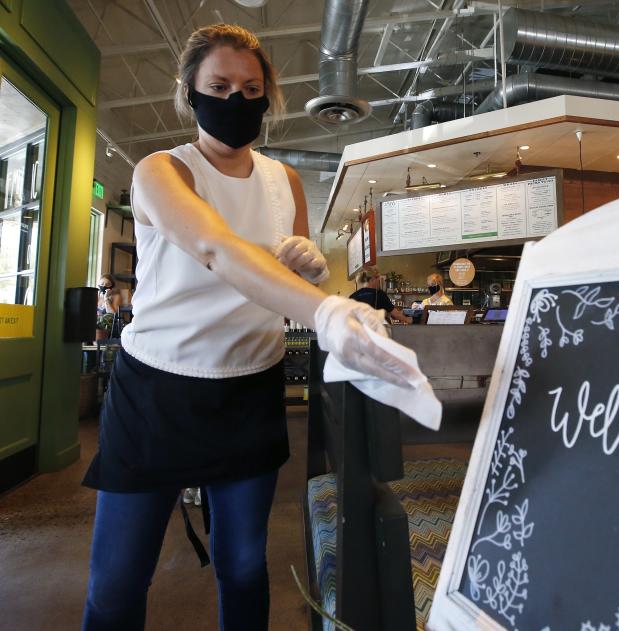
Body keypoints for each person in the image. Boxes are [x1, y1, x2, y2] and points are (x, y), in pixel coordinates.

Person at [81, 24, 417, 631]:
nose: (235, 100)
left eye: (250, 87)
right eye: (219, 86)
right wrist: (325, 311)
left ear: (269, 98)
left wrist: (310, 272)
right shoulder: (161, 170)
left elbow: (288, 274)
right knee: (117, 580)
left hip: (248, 389)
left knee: (242, 567)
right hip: (156, 391)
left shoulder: (283, 182)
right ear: (190, 93)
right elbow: (214, 247)